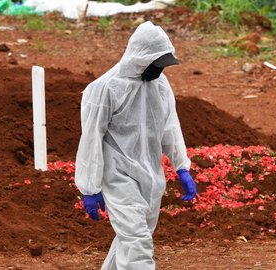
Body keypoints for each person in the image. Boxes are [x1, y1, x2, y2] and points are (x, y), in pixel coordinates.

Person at [74, 21, 197, 270]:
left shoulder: (159, 85)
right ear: (141, 58)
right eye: (157, 63)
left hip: (150, 176)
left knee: (131, 239)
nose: (160, 70)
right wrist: (89, 186)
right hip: (117, 175)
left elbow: (170, 126)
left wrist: (181, 166)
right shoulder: (104, 88)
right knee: (137, 241)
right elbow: (91, 139)